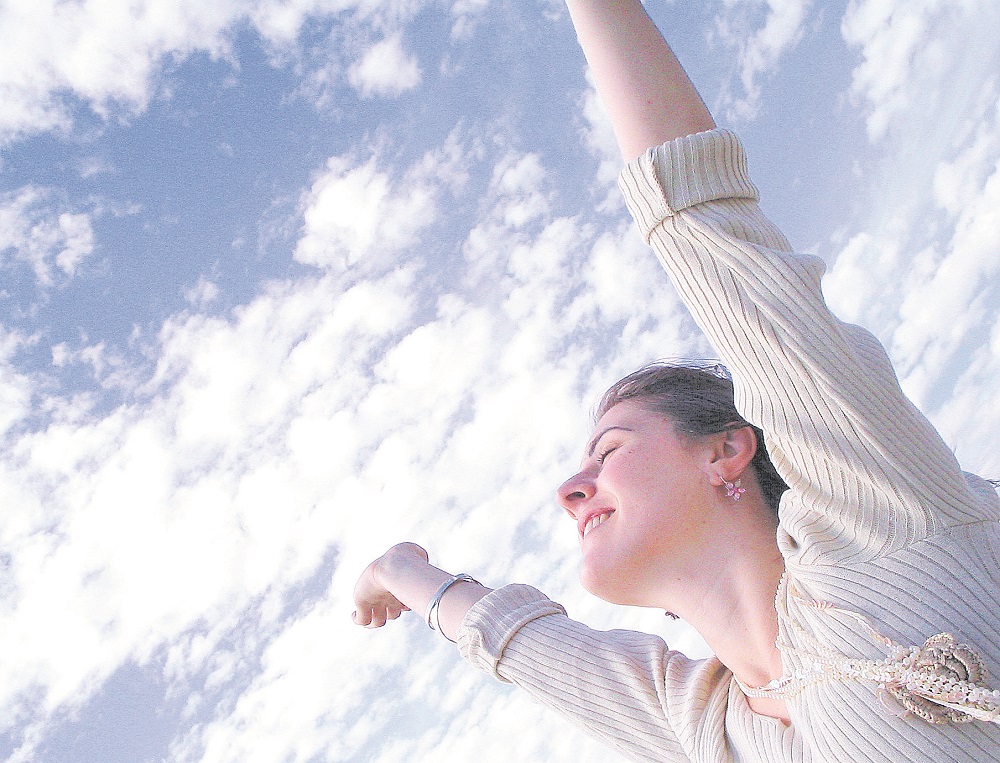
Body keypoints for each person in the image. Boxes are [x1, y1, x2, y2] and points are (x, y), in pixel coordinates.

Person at [352, 1, 1000, 760]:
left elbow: (706, 226)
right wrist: (401, 570)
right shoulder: (709, 726)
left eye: (609, 450)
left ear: (726, 451)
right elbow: (521, 642)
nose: (570, 488)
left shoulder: (875, 515)